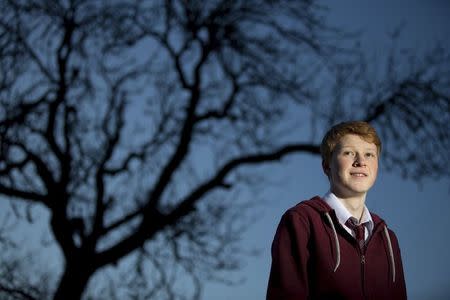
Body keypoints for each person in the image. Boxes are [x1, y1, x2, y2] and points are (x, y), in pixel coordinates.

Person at [266, 121, 407, 299]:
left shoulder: (387, 239)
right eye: (349, 153)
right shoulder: (302, 221)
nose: (361, 162)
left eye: (369, 154)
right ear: (327, 166)